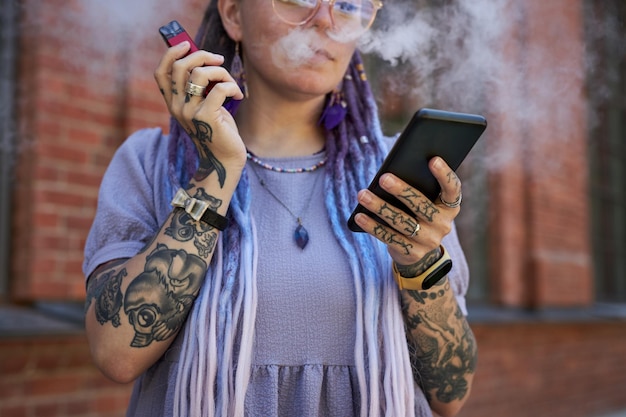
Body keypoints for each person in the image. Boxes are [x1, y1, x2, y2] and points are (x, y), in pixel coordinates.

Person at [82, 0, 478, 416]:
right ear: (234, 14)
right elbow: (116, 354)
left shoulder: (396, 175)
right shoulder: (149, 161)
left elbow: (450, 395)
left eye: (348, 5)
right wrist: (217, 171)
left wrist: (421, 265)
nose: (326, 20)